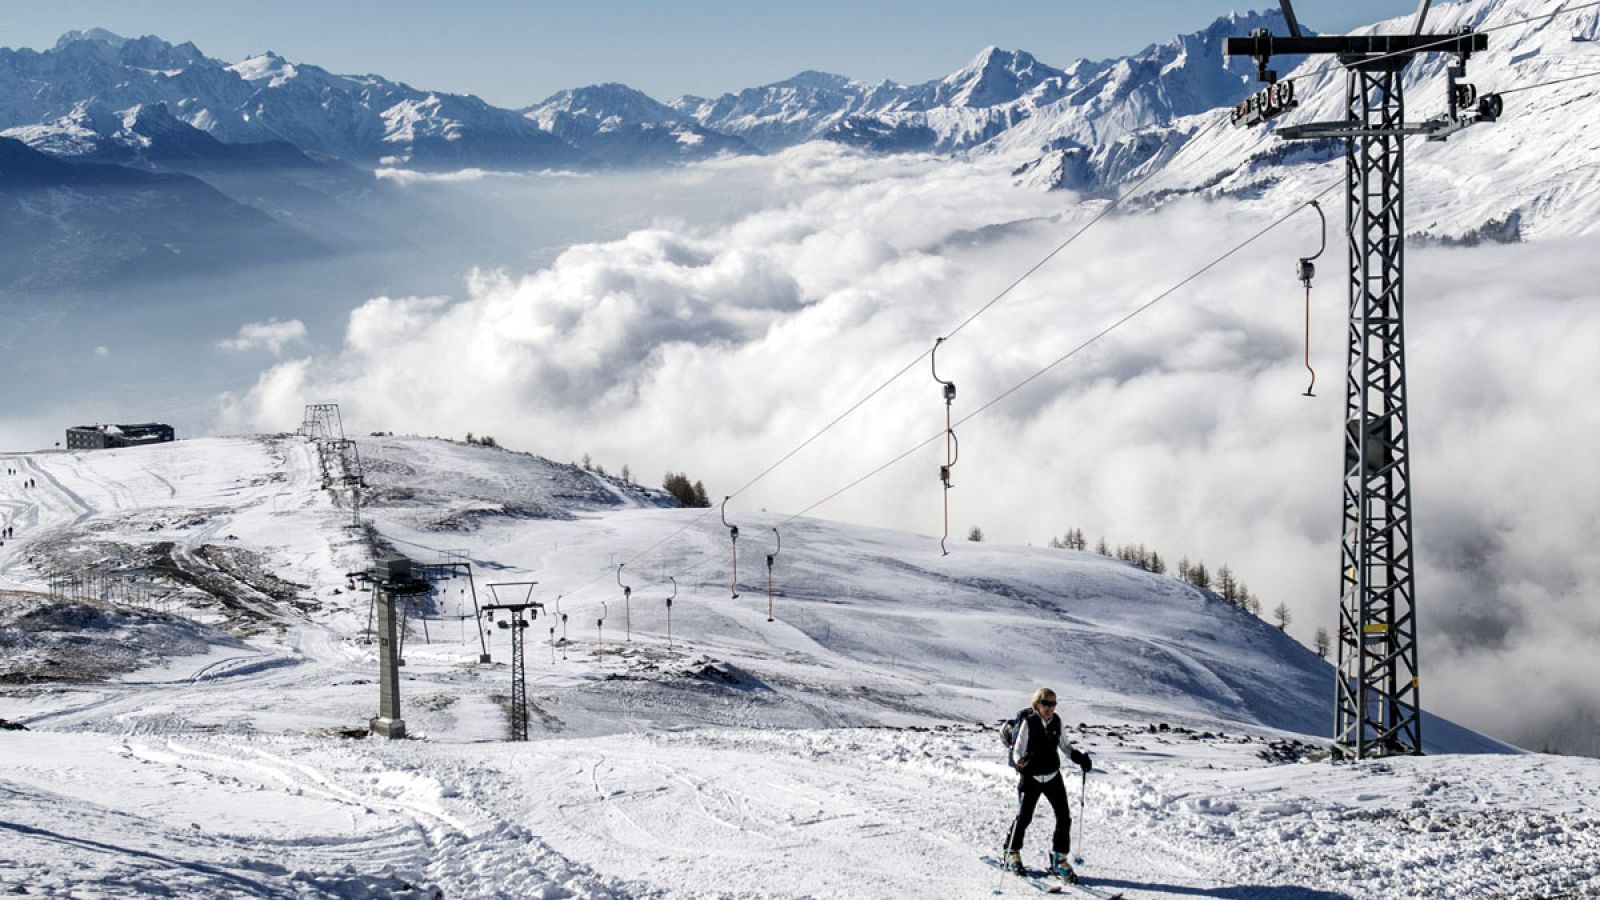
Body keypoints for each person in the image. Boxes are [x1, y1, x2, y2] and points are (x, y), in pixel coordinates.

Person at [1004, 687, 1092, 881]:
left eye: (1053, 704)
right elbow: (1018, 751)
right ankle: (1011, 852)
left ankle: (1059, 859)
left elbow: (1065, 746)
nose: (1050, 708)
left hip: (1052, 776)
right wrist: (1022, 765)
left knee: (1064, 817)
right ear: (1037, 704)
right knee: (1024, 818)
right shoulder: (1029, 722)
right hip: (1031, 778)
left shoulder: (1056, 721)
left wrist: (1079, 758)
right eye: (1046, 703)